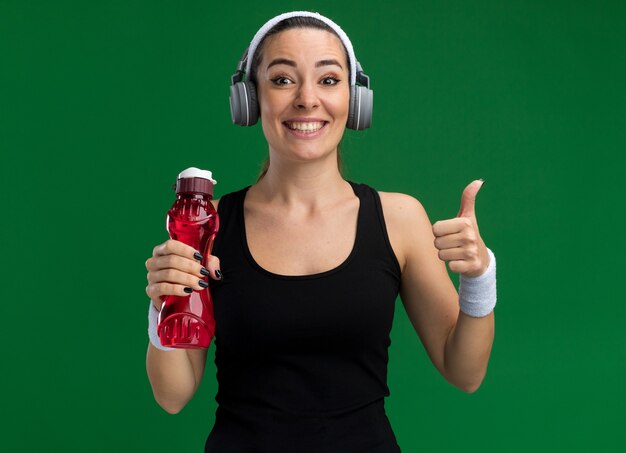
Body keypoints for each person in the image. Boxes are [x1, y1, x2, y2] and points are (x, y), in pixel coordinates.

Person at [144, 11, 497, 453]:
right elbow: (172, 395)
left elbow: (464, 372)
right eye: (282, 79)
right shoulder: (207, 224)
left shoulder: (399, 218)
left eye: (329, 80)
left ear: (355, 100)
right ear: (249, 99)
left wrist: (480, 277)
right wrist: (163, 307)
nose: (307, 99)